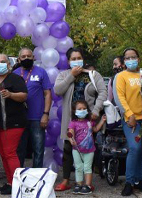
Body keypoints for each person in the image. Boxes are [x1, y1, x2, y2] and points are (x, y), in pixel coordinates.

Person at [54, 48, 106, 192]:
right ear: (69, 61)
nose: (76, 61)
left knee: (87, 149)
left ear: (83, 59)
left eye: (79, 58)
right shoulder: (63, 74)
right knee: (68, 149)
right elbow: (58, 90)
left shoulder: (93, 75)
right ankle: (66, 180)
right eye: (73, 58)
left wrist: (95, 110)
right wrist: (71, 75)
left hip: (88, 120)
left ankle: (87, 182)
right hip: (70, 120)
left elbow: (103, 92)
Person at [114, 47, 142, 196]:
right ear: (124, 61)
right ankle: (129, 182)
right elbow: (119, 97)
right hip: (130, 120)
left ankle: (139, 180)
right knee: (135, 148)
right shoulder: (121, 76)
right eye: (128, 58)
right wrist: (129, 115)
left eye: (133, 57)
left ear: (138, 58)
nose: (131, 60)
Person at [0, 54, 27, 195]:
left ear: (8, 64)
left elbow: (24, 95)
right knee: (4, 154)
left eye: (2, 62)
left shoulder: (16, 79)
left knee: (10, 153)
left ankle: (17, 185)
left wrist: (11, 95)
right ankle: (10, 182)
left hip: (13, 122)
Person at [15, 48, 51, 169]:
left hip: (37, 117)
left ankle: (37, 177)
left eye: (29, 56)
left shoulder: (41, 72)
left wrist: (45, 114)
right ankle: (19, 177)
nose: (26, 58)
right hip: (19, 118)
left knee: (38, 150)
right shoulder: (14, 73)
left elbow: (47, 94)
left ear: (33, 57)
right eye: (23, 56)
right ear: (19, 59)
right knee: (20, 150)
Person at [67, 100, 106, 195]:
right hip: (77, 149)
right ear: (74, 111)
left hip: (89, 150)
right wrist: (71, 139)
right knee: (78, 167)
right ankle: (79, 184)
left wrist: (102, 120)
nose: (82, 110)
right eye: (79, 109)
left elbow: (96, 129)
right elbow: (70, 132)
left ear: (87, 110)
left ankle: (87, 185)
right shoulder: (73, 122)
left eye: (84, 109)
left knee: (87, 167)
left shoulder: (90, 122)